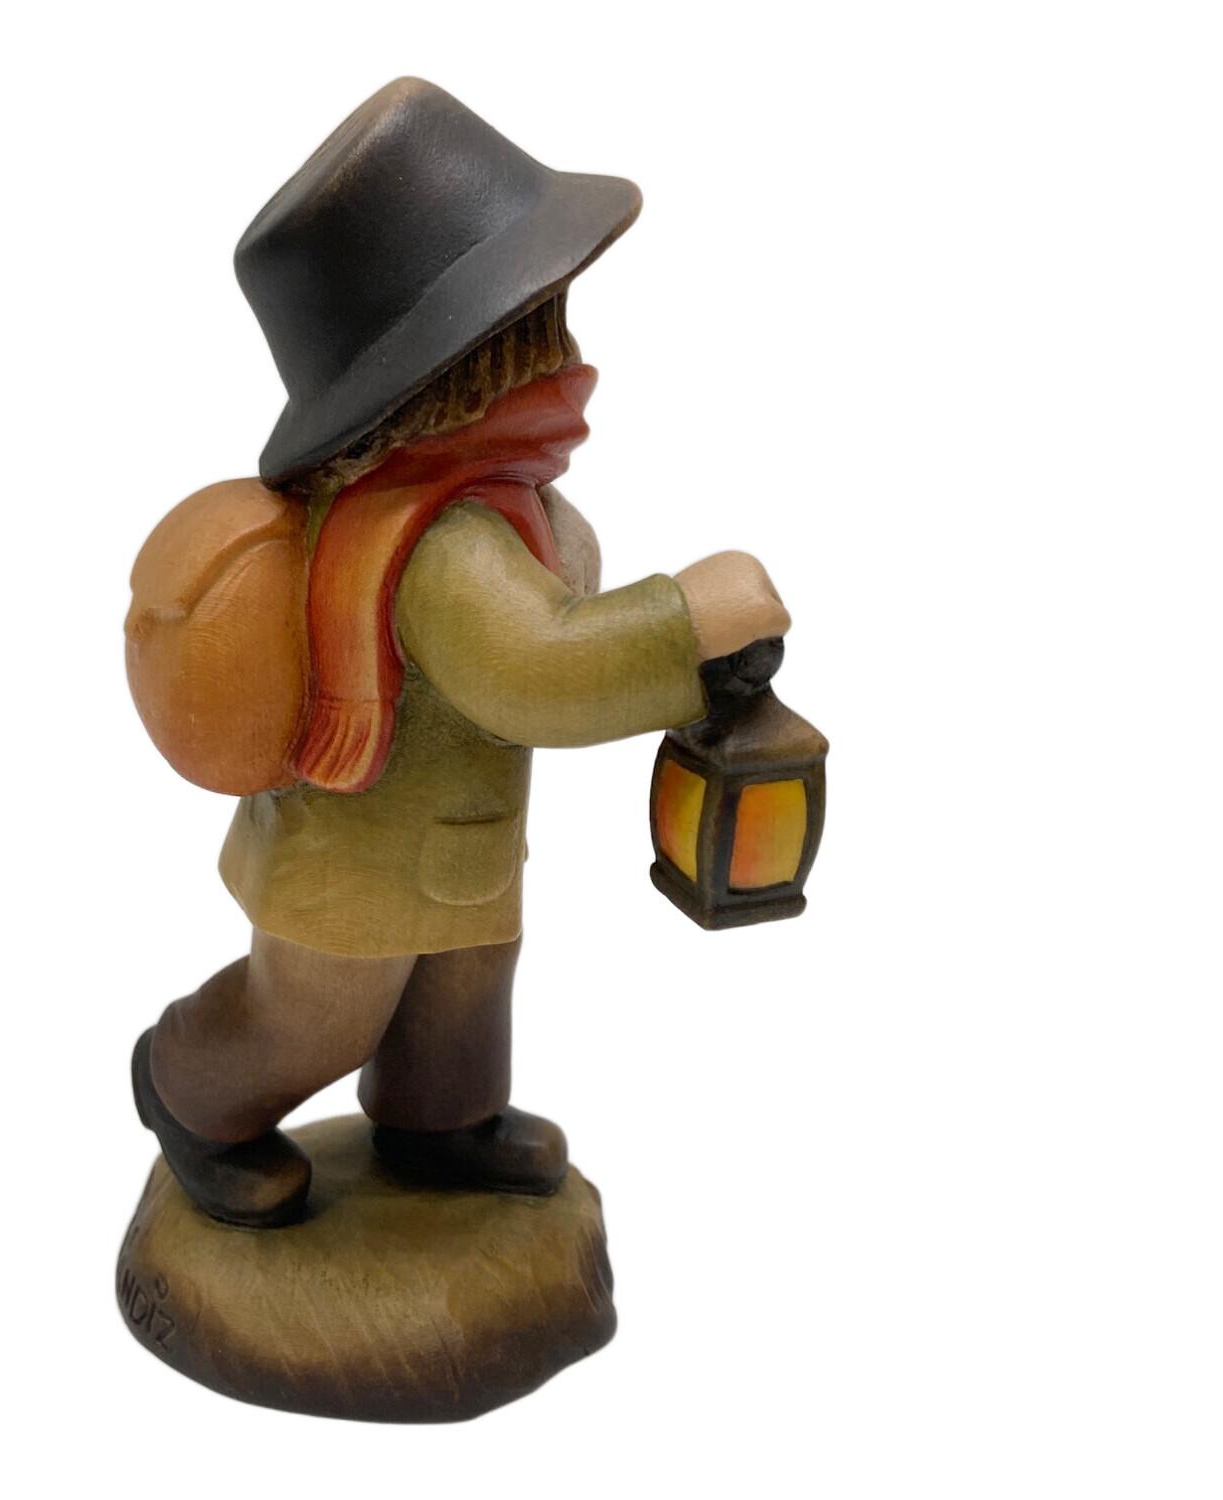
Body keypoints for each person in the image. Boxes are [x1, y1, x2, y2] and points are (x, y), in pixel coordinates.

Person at [131, 79, 790, 1226]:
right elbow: (535, 672)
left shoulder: (495, 507)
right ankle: (193, 1083)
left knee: (466, 983)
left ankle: (442, 1117)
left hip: (457, 844)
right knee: (323, 1014)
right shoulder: (444, 546)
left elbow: (551, 607)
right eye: (540, 330)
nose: (569, 357)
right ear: (473, 358)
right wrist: (691, 619)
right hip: (355, 868)